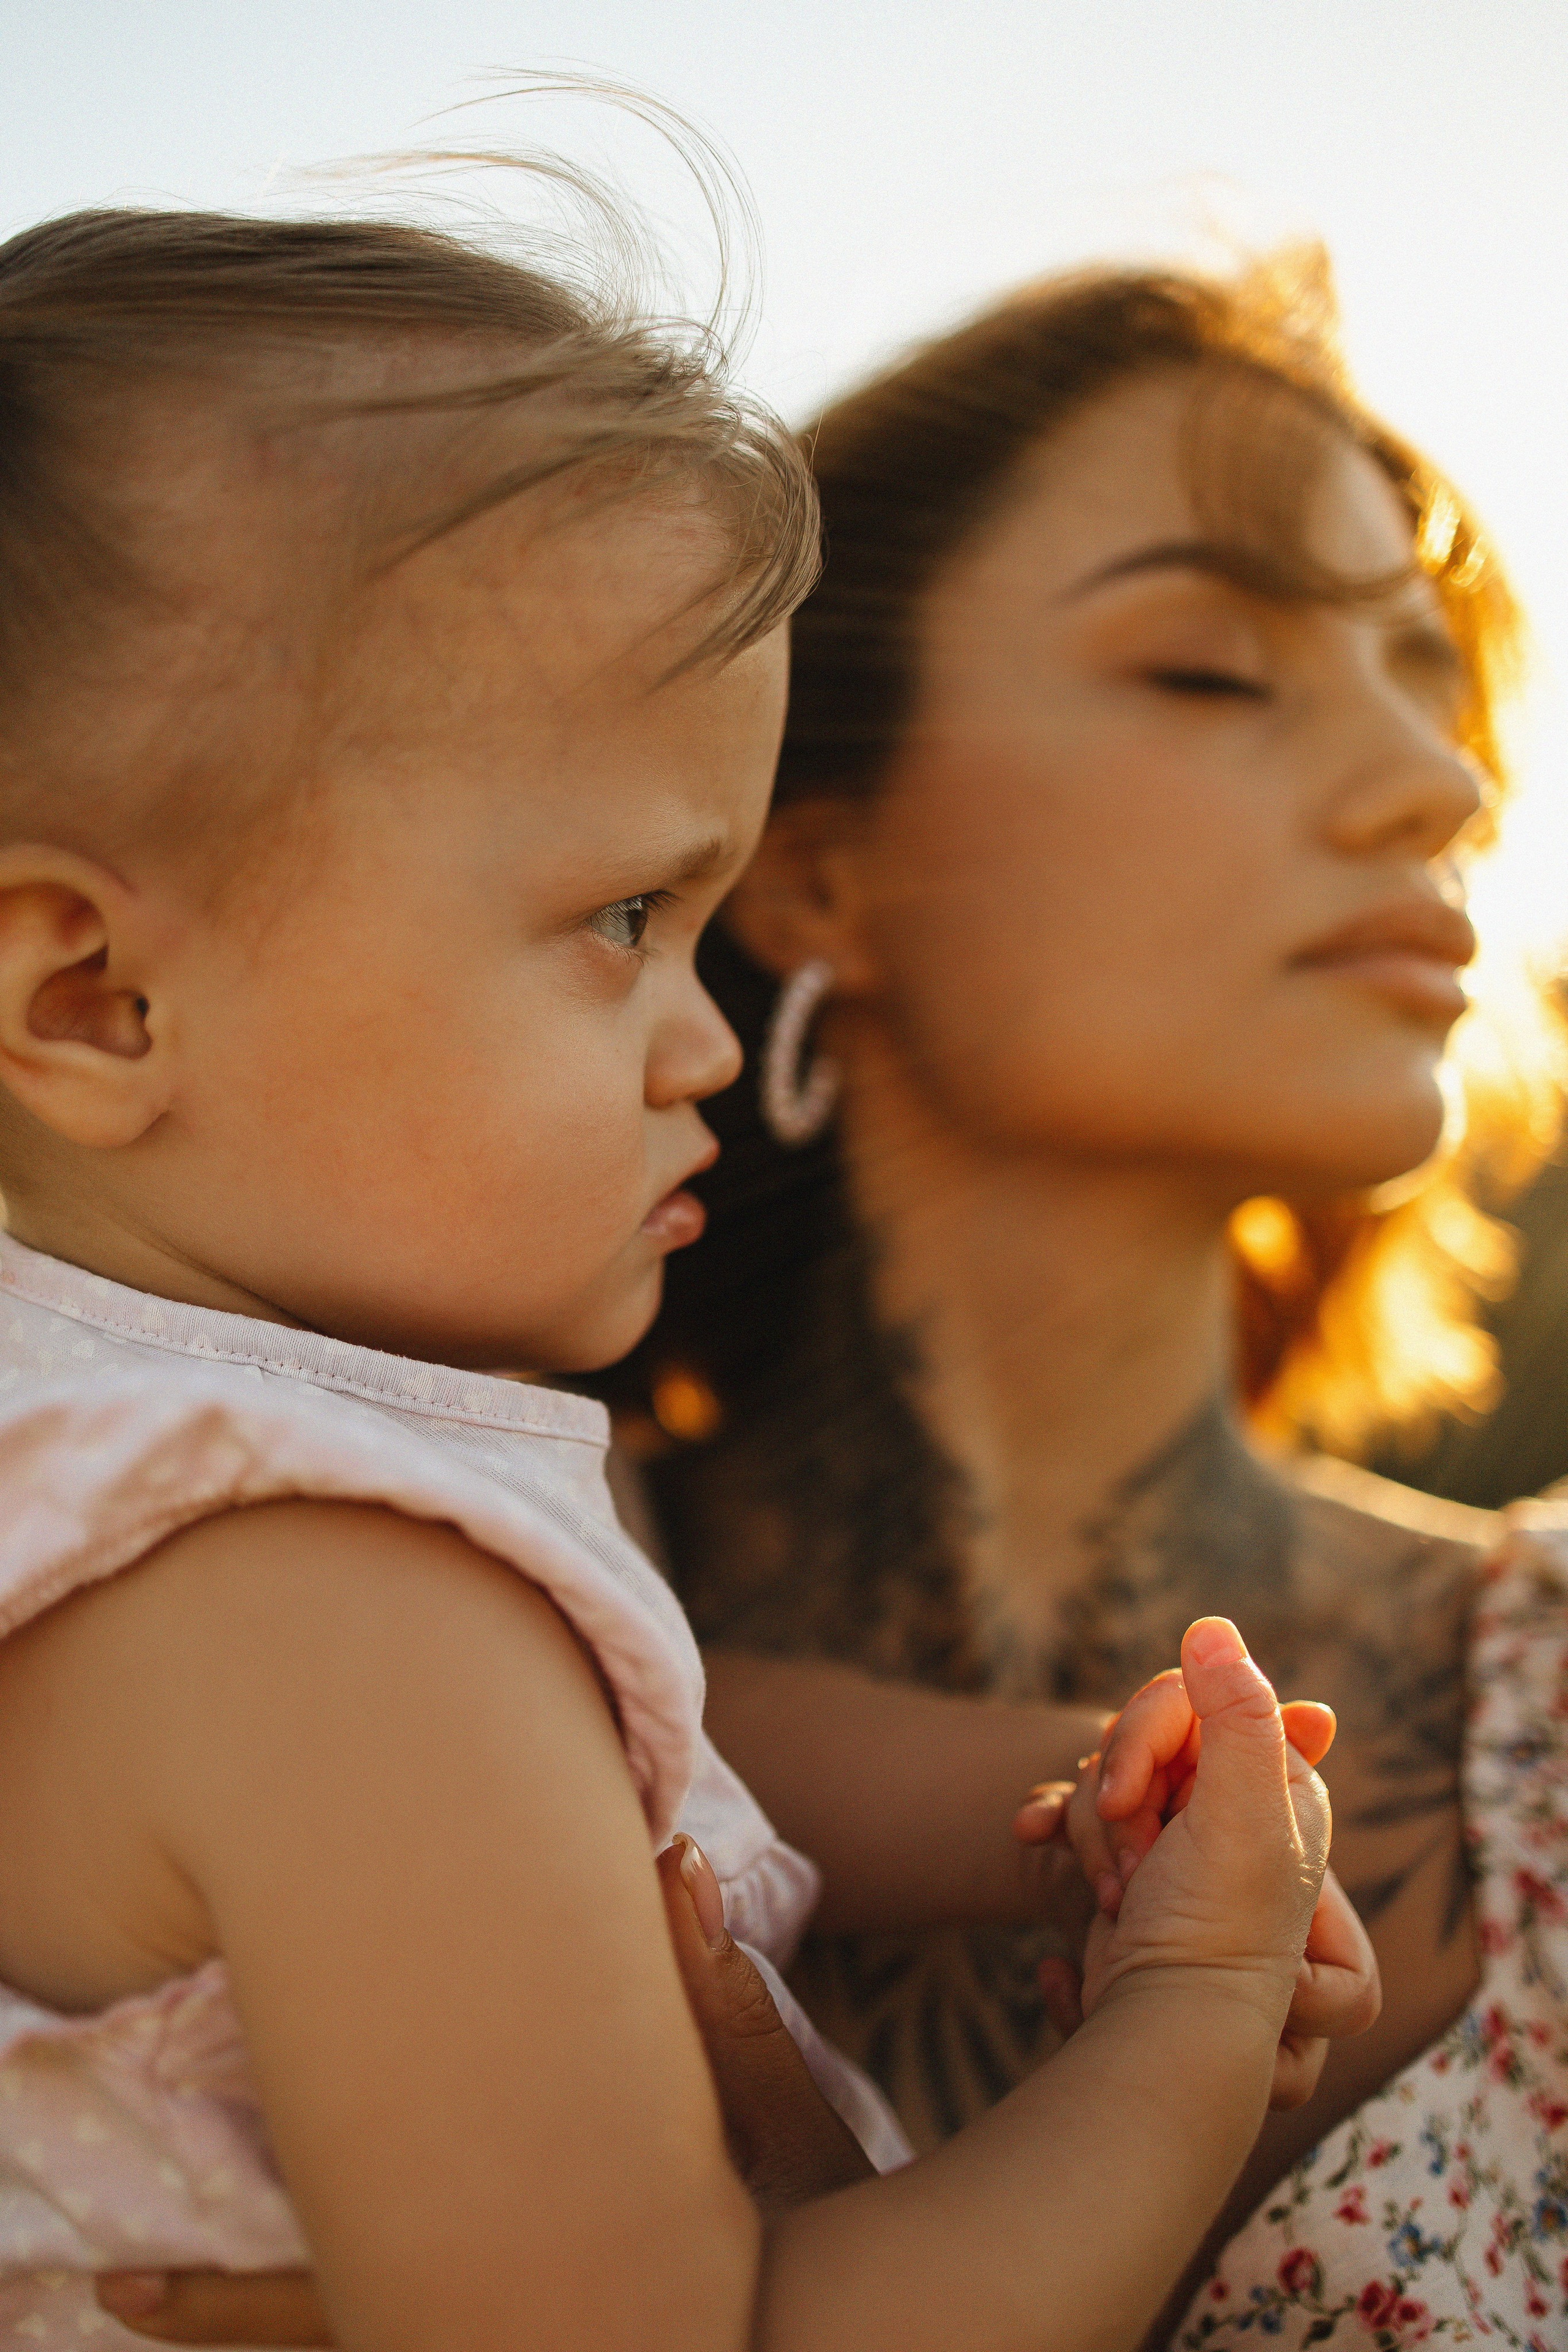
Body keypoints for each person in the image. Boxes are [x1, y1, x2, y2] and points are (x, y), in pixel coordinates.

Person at [0, 200, 1360, 2352]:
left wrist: (1040, 1812)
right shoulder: (334, 1611)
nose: (710, 1035)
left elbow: (671, 1749)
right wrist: (1189, 2015)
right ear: (97, 1004)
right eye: (629, 913)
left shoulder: (160, 1480)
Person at [593, 253, 1568, 2338]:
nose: (1445, 788)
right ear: (815, 862)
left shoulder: (1549, 1716)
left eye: (1434, 680)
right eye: (1216, 666)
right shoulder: (356, 1577)